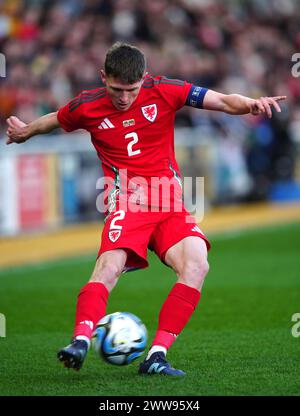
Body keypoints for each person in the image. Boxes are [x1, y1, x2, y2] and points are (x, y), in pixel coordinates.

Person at [6, 42, 286, 376]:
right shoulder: (87, 106)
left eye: (131, 90)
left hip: (169, 202)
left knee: (197, 264)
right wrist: (25, 132)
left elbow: (224, 101)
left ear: (144, 79)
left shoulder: (166, 90)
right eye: (116, 89)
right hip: (127, 201)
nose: (124, 98)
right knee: (109, 268)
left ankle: (156, 355)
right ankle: (80, 341)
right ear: (103, 77)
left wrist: (251, 104)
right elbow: (55, 119)